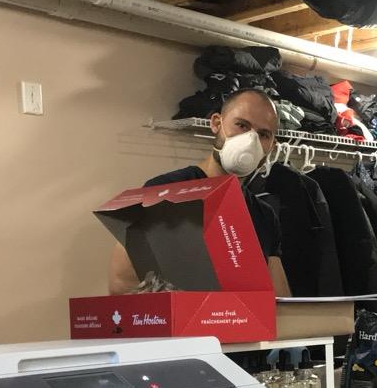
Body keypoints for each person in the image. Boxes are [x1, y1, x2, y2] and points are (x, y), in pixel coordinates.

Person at [109, 89, 291, 296]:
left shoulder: (264, 215)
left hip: (240, 317)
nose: (250, 140)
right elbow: (122, 283)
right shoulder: (165, 192)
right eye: (241, 125)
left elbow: (279, 296)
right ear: (216, 123)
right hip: (180, 317)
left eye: (263, 135)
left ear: (272, 146)